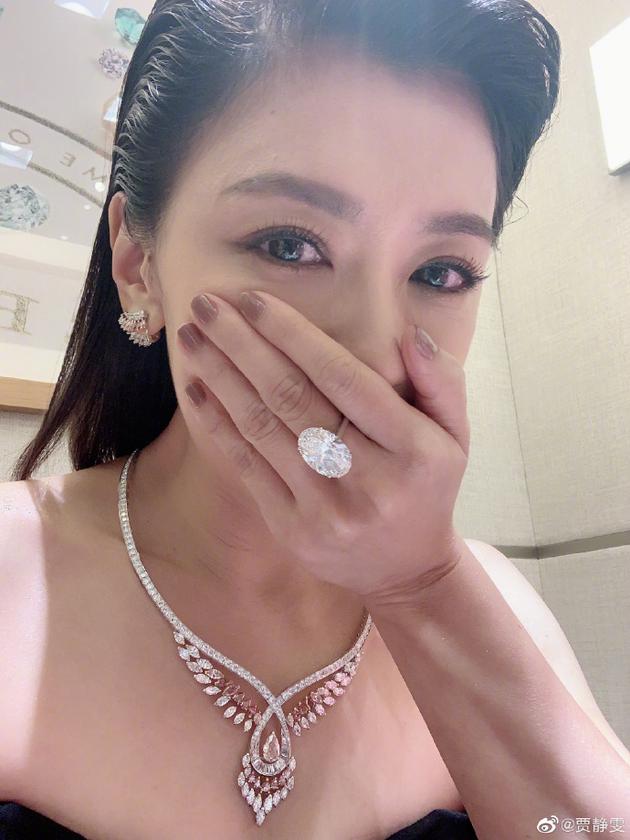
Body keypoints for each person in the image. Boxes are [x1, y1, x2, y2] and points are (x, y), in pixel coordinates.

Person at [2, 0, 629, 837]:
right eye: (289, 245)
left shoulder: (492, 603)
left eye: (442, 272)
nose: (371, 352)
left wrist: (422, 587)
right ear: (138, 262)